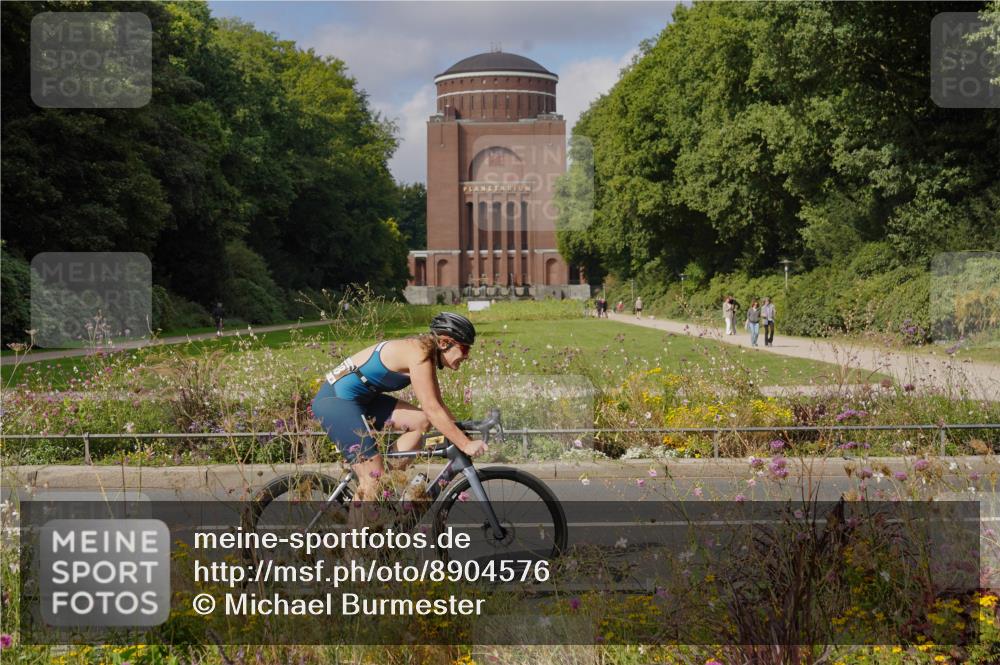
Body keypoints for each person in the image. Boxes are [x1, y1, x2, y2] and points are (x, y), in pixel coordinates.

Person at [310, 312, 488, 499]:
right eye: (465, 349)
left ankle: (385, 484)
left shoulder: (426, 354)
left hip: (362, 401)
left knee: (420, 421)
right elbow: (432, 408)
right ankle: (370, 495)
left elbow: (438, 405)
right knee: (373, 479)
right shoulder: (419, 354)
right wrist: (465, 444)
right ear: (444, 343)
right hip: (336, 401)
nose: (467, 356)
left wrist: (463, 435)